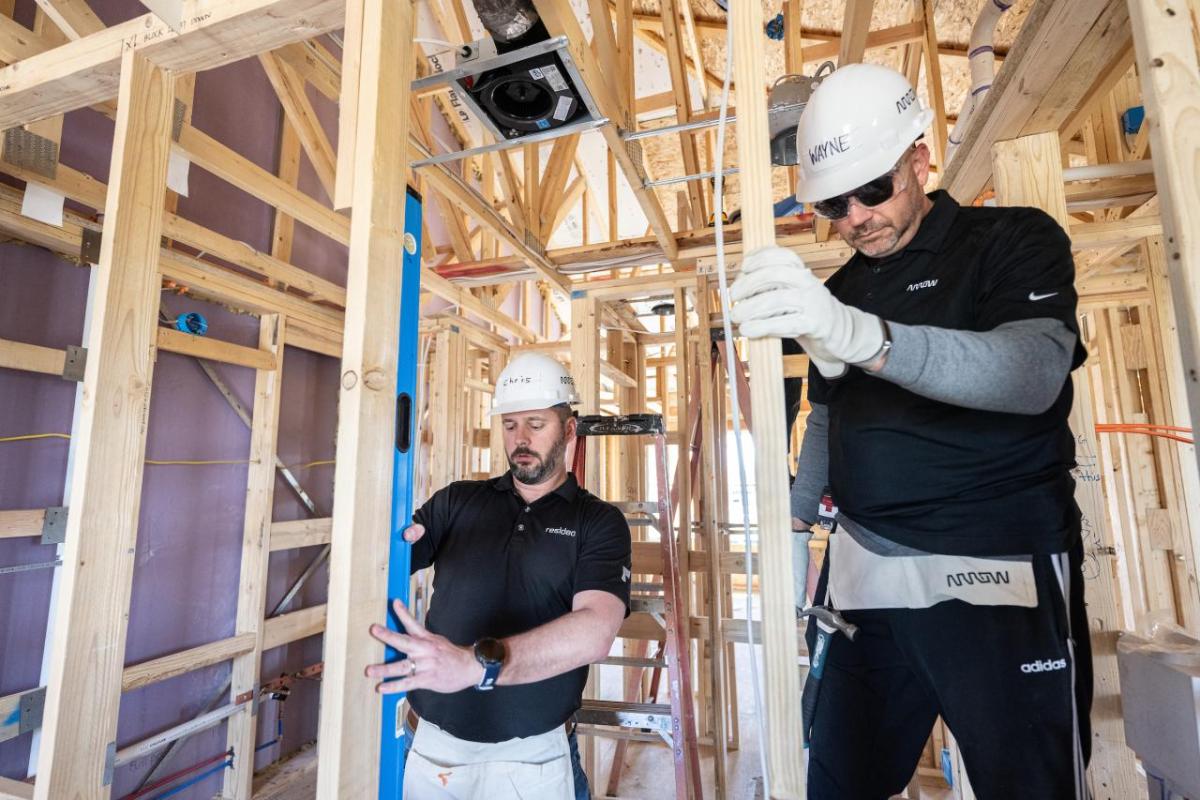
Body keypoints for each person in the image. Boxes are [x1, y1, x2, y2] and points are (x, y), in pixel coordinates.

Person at [730, 63, 1092, 799]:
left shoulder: (1011, 240)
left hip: (1000, 573)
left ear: (919, 161)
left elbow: (1032, 374)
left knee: (1030, 786)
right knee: (834, 780)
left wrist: (865, 337)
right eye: (835, 203)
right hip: (865, 576)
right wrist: (795, 525)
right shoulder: (838, 290)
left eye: (875, 189)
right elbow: (828, 413)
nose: (858, 215)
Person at [365, 353, 632, 800]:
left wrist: (474, 665)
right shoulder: (457, 502)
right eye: (509, 425)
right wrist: (386, 545)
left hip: (534, 759)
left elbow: (596, 631)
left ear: (569, 430)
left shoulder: (598, 522)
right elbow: (386, 565)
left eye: (535, 423)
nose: (520, 438)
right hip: (433, 748)